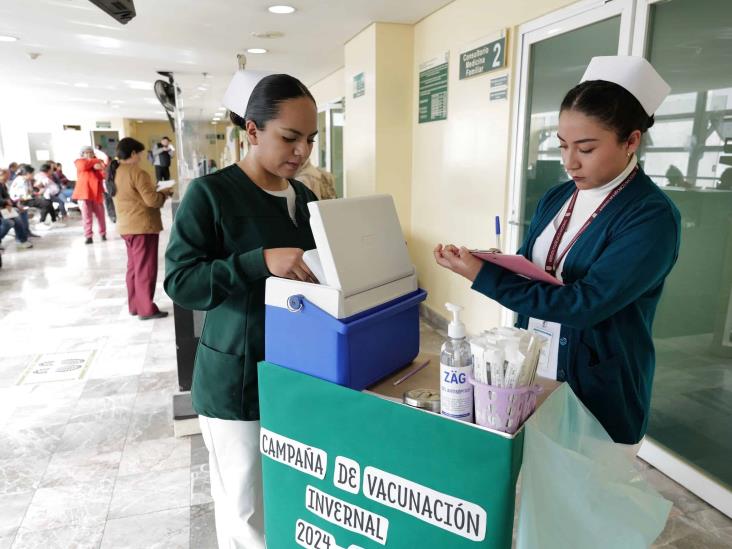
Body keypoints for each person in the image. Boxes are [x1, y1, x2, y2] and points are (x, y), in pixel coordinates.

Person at [434, 56, 681, 449]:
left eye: (586, 148)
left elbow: (585, 305)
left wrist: (483, 277)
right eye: (563, 146)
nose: (569, 162)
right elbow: (530, 267)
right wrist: (488, 262)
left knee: (589, 502)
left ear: (631, 141)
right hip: (534, 372)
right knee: (539, 491)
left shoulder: (650, 217)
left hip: (598, 390)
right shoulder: (558, 196)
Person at [165, 72, 319, 548]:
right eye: (289, 138)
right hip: (239, 381)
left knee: (289, 497)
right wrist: (259, 261)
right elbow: (181, 281)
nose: (302, 152)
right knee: (246, 510)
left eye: (310, 140)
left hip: (297, 372)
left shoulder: (306, 198)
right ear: (251, 130)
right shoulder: (212, 195)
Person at [110, 138, 173, 320]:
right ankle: (146, 309)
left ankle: (135, 305)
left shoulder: (116, 171)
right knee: (145, 268)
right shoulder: (136, 172)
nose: (141, 157)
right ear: (133, 154)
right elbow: (151, 200)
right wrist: (164, 193)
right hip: (142, 226)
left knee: (134, 268)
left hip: (126, 226)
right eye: (140, 153)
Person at [73, 145, 107, 244]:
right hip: (84, 193)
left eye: (91, 152)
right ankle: (88, 236)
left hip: (97, 192)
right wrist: (95, 161)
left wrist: (99, 165)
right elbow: (83, 166)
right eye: (86, 152)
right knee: (86, 216)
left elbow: (102, 174)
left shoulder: (97, 161)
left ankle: (103, 234)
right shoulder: (79, 161)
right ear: (82, 154)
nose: (89, 154)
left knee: (101, 215)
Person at [0, 168, 32, 249]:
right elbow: (4, 200)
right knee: (9, 223)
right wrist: (6, 202)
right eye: (7, 175)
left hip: (4, 208)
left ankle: (21, 240)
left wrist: (16, 205)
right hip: (2, 209)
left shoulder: (2, 185)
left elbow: (7, 198)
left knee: (18, 216)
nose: (9, 176)